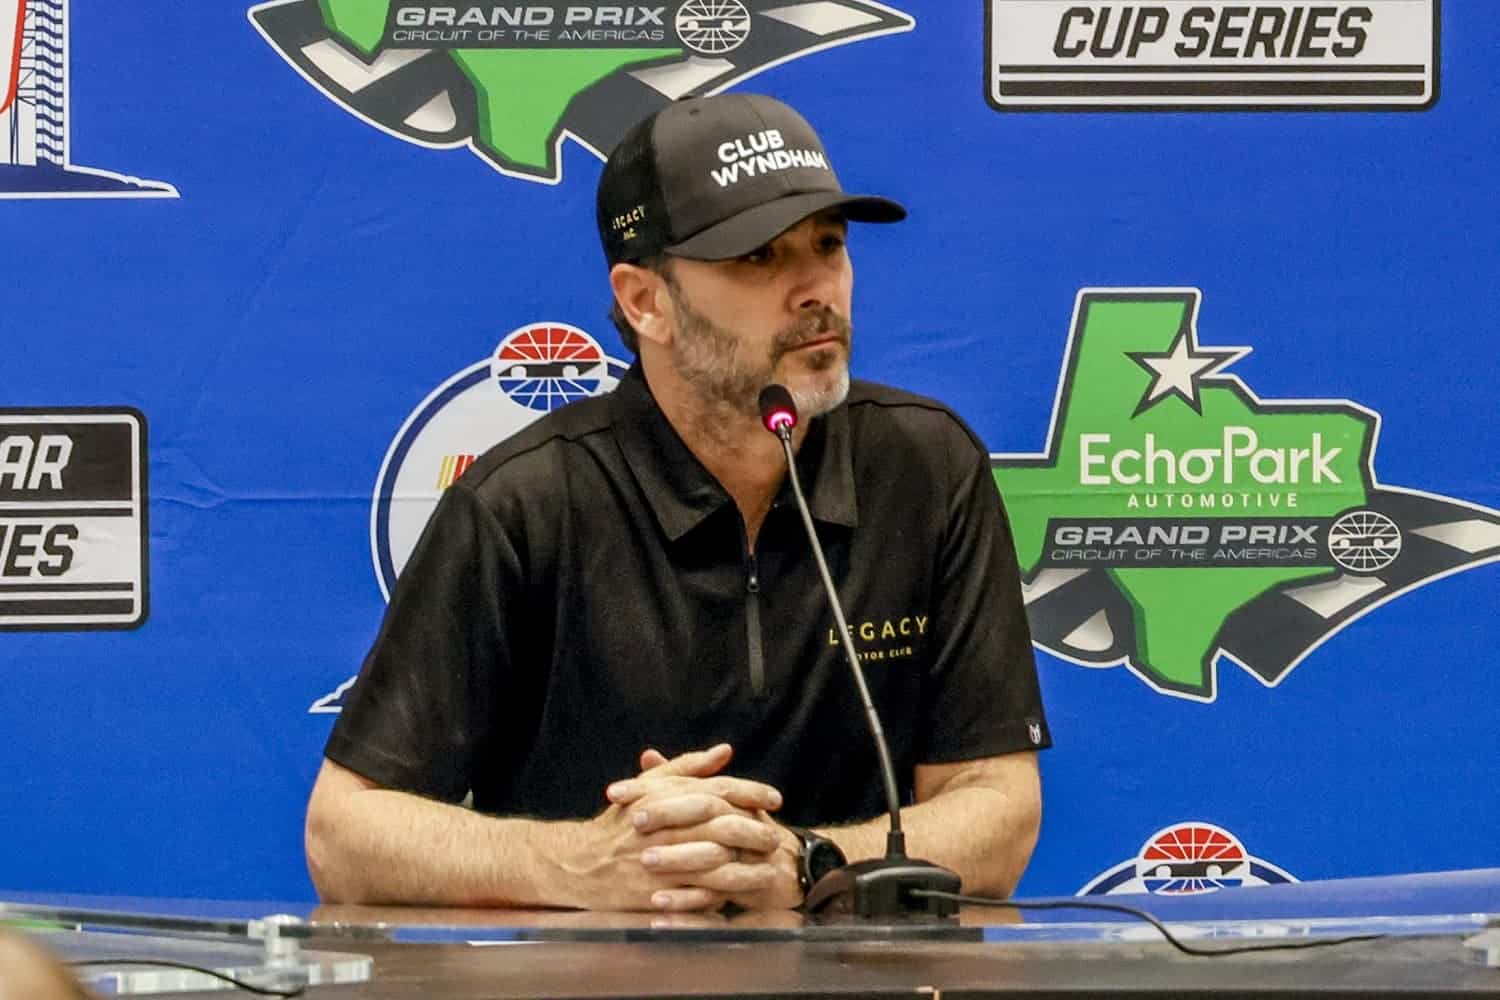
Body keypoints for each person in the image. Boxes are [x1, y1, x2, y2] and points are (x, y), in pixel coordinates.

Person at [305, 93, 1050, 913]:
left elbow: (1000, 808)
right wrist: (585, 863)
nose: (815, 289)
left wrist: (805, 860)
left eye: (829, 246)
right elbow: (344, 834)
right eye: (759, 258)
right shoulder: (524, 502)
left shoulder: (927, 465)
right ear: (644, 301)